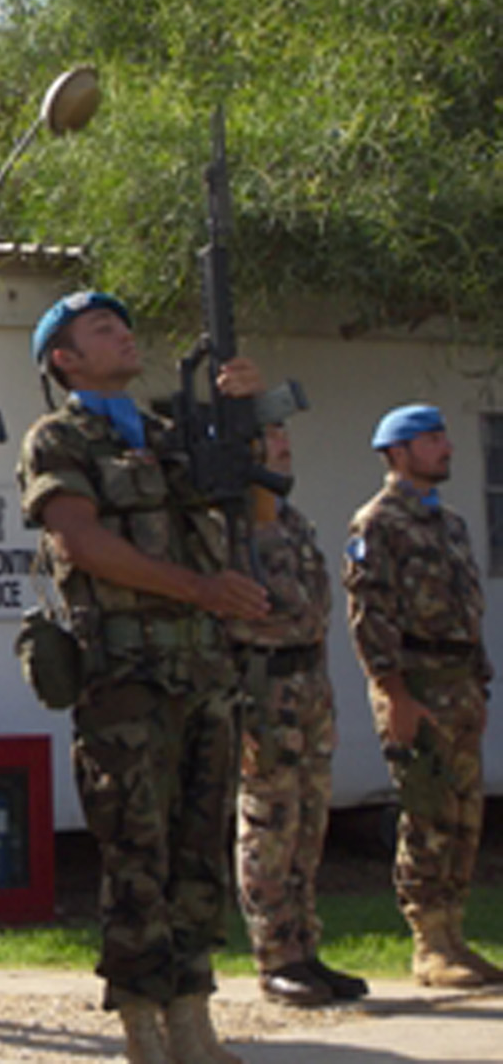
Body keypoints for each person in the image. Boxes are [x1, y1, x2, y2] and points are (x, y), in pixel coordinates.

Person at [16, 291, 269, 1064]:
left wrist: (244, 424)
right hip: (126, 675)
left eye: (123, 325)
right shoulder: (59, 438)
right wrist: (199, 590)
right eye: (101, 330)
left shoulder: (171, 432)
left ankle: (192, 1018)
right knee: (136, 853)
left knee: (199, 850)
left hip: (201, 670)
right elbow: (81, 540)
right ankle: (141, 1028)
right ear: (64, 358)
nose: (124, 336)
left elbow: (255, 511)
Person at [344, 404, 501, 988]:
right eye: (431, 439)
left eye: (443, 436)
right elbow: (369, 615)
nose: (446, 447)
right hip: (415, 684)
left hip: (458, 683)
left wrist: (479, 684)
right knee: (428, 812)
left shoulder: (451, 524)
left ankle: (455, 934)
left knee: (464, 815)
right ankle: (428, 941)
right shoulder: (378, 522)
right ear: (397, 452)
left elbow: (468, 610)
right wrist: (395, 694)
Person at [227, 423, 366, 1005]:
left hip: (308, 689)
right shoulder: (231, 526)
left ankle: (305, 947)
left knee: (309, 823)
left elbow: (318, 615)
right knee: (270, 824)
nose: (285, 444)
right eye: (270, 436)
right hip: (264, 691)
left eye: (286, 434)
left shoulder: (294, 519)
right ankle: (275, 957)